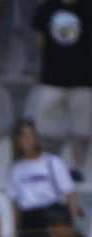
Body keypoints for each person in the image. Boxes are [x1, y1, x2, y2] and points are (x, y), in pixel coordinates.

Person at [31, 0, 92, 178]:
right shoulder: (47, 9)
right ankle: (47, 165)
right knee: (44, 128)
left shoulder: (88, 8)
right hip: (51, 78)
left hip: (83, 79)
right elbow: (39, 41)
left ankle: (78, 167)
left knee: (81, 128)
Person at [7, 118, 82, 237]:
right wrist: (17, 233)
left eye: (31, 135)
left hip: (52, 217)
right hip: (29, 219)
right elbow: (16, 205)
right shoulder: (15, 169)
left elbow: (70, 196)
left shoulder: (52, 162)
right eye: (24, 136)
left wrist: (77, 224)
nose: (28, 140)